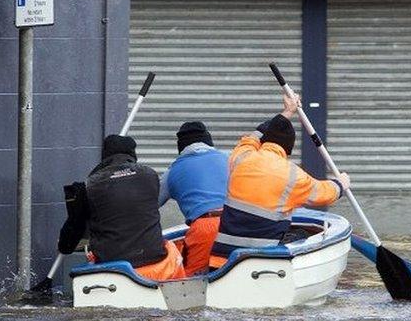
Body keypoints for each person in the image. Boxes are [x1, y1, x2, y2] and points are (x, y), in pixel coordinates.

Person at [212, 94, 351, 266]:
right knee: (300, 235)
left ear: (264, 141)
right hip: (260, 260)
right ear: (288, 149)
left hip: (220, 258)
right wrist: (341, 183)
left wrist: (287, 111)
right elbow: (324, 194)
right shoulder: (293, 176)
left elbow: (253, 136)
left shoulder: (241, 157)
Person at [57, 134, 185, 281]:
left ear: (104, 155)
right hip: (156, 263)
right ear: (133, 154)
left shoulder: (89, 185)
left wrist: (64, 247)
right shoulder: (150, 176)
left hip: (114, 268)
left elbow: (74, 229)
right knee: (172, 248)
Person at [158, 121, 229, 275]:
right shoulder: (229, 159)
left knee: (192, 286)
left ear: (181, 146)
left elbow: (150, 203)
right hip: (236, 223)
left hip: (205, 228)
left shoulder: (173, 172)